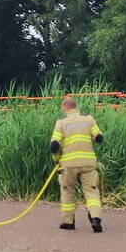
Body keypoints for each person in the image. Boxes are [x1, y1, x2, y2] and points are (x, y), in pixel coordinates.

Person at [50, 97, 104, 232]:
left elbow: (54, 145)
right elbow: (99, 137)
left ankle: (68, 222)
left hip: (69, 164)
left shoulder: (61, 122)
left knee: (67, 190)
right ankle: (95, 218)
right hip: (88, 162)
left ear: (64, 107)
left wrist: (57, 159)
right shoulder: (88, 119)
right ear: (76, 106)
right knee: (91, 190)